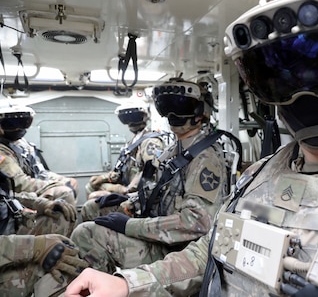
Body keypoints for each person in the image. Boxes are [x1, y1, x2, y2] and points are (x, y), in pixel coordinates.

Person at [66, 0, 318, 296]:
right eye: (283, 77)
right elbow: (211, 252)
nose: (305, 91)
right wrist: (128, 283)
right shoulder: (259, 176)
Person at [70, 78, 229, 274]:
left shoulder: (205, 158)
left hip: (180, 251)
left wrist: (131, 226)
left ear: (200, 112)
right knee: (93, 208)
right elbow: (158, 191)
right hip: (160, 232)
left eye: (179, 107)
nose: (171, 115)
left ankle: (107, 285)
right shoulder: (175, 150)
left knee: (86, 234)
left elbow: (197, 222)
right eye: (166, 107)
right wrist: (130, 201)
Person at [0, 160, 88, 297]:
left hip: (2, 235)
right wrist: (35, 248)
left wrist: (42, 204)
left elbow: (3, 196)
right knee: (59, 270)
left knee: (60, 217)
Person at [81, 99, 167, 221]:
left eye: (134, 116)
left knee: (93, 199)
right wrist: (105, 178)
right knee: (90, 186)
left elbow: (151, 170)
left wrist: (125, 190)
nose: (131, 121)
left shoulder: (150, 141)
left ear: (145, 116)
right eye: (126, 118)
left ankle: (97, 226)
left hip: (136, 194)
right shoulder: (133, 141)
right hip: (127, 187)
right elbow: (124, 168)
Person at [0, 100, 77, 205]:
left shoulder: (21, 144)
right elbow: (20, 183)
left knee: (71, 183)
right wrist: (55, 185)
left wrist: (62, 180)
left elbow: (39, 172)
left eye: (23, 122)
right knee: (64, 192)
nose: (18, 128)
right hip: (12, 197)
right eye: (10, 124)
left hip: (27, 191)